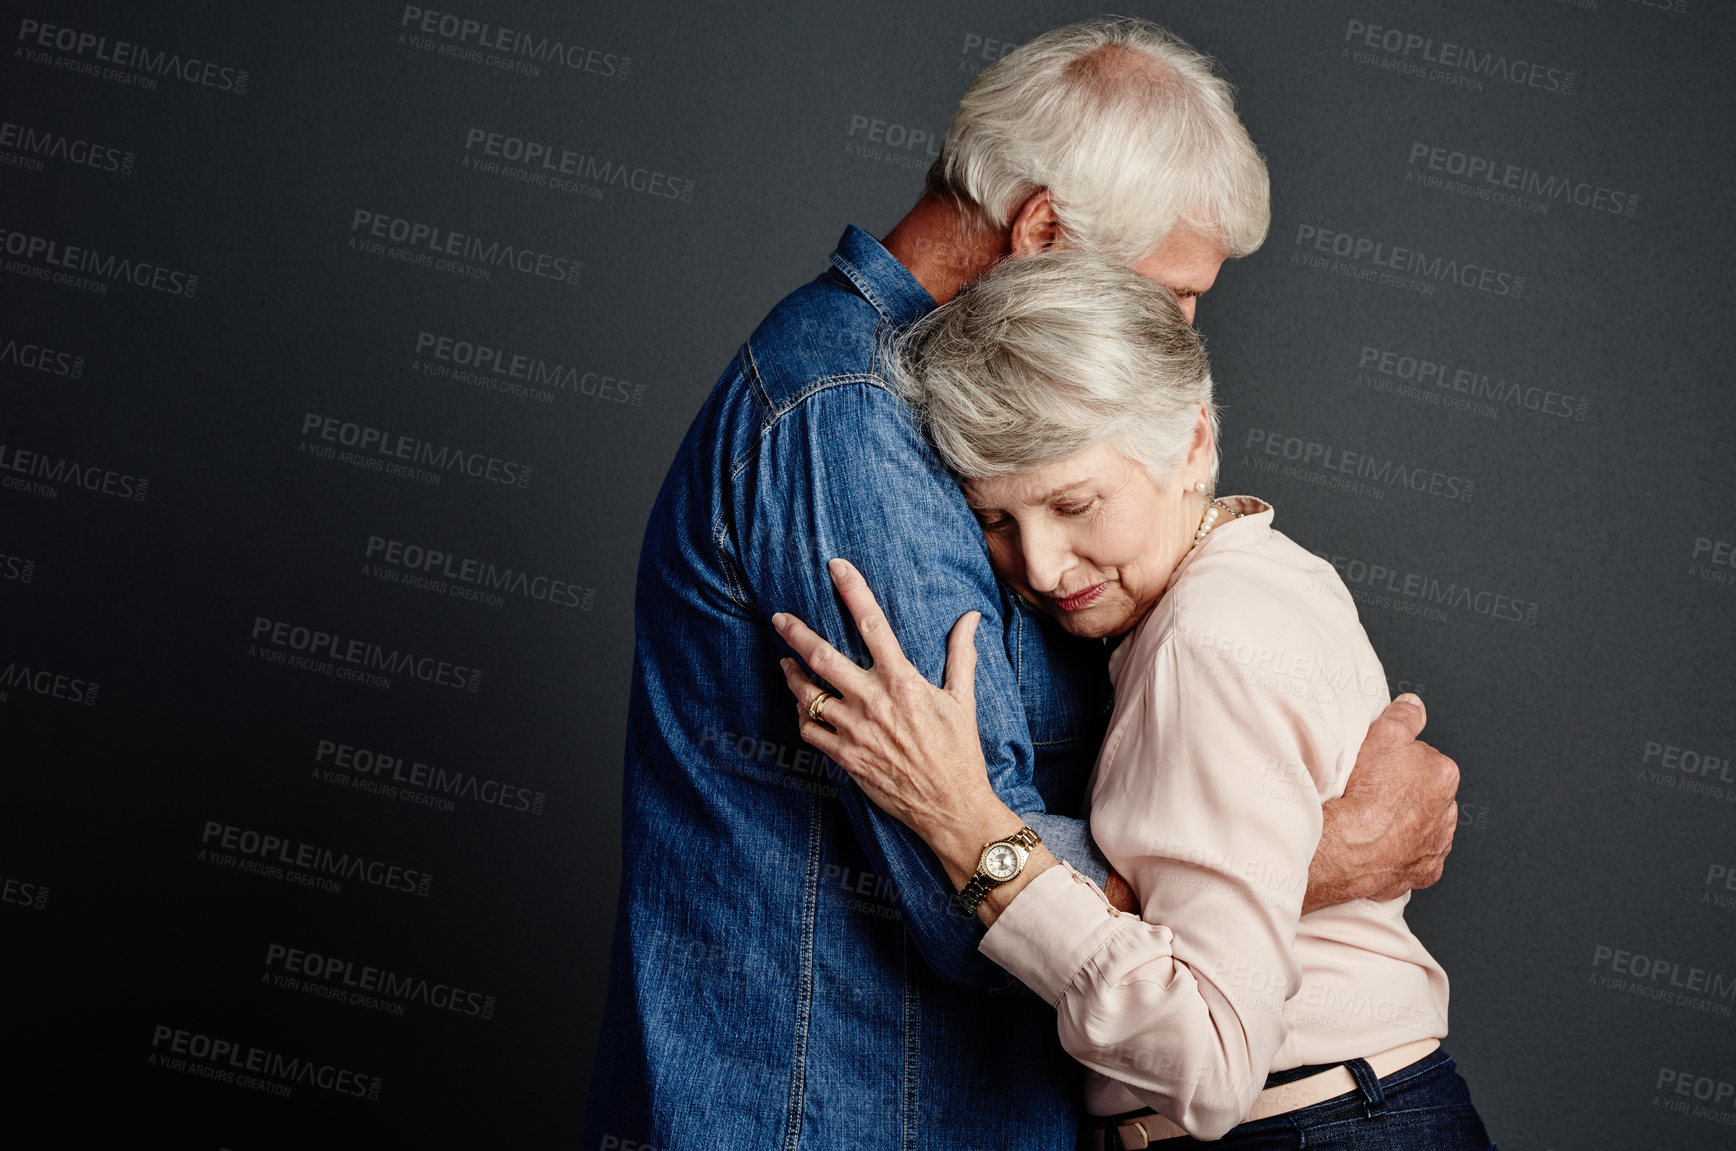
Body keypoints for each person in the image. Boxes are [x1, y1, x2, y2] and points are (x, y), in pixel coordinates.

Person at [583, 17, 1461, 1150]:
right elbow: (958, 885)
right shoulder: (850, 422)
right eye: (1170, 297)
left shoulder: (965, 430)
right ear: (1042, 231)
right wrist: (1310, 850)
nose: (1182, 335)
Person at [773, 248, 1494, 1148]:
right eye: (996, 520)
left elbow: (1212, 1059)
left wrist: (964, 822)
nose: (1037, 564)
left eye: (1075, 504)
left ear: (1191, 441)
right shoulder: (1269, 573)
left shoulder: (1201, 639)